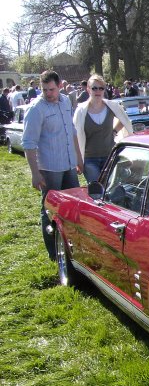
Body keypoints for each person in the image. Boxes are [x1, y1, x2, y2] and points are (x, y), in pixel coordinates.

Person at [22, 70, 84, 260]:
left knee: (72, 207)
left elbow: (72, 132)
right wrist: (35, 173)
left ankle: (72, 248)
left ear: (59, 86)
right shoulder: (36, 109)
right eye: (45, 89)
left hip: (68, 164)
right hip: (49, 168)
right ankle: (54, 253)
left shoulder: (65, 102)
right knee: (49, 209)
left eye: (52, 89)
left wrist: (79, 159)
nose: (49, 93)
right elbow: (29, 143)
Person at [73, 74, 133, 184]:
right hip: (90, 159)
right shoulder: (81, 111)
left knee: (110, 189)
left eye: (101, 88)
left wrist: (114, 132)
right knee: (97, 190)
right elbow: (75, 136)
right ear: (88, 89)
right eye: (94, 88)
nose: (98, 91)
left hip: (109, 156)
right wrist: (78, 160)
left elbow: (125, 120)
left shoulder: (112, 106)